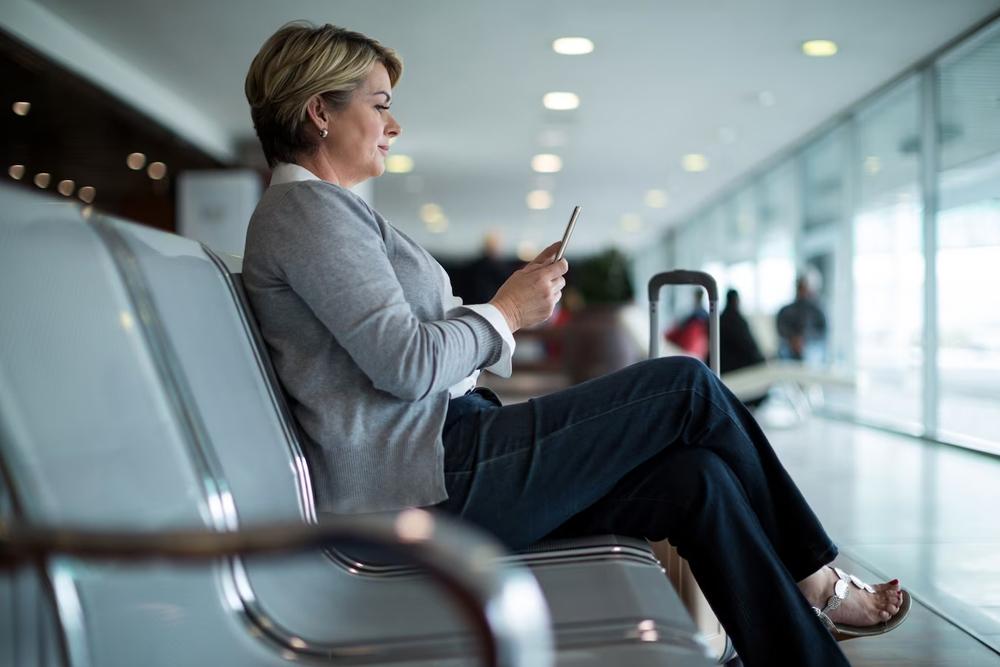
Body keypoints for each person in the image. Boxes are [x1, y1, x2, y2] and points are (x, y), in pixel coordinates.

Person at [241, 22, 908, 666]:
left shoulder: (328, 213)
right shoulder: (308, 214)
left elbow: (407, 352)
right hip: (427, 479)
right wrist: (505, 312)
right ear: (318, 112)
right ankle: (817, 581)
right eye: (380, 105)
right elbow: (408, 364)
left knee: (695, 479)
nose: (395, 124)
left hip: (444, 456)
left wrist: (511, 305)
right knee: (684, 385)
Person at [720, 289, 768, 407]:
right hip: (737, 371)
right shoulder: (737, 320)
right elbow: (749, 346)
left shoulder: (718, 319)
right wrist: (763, 361)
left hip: (722, 369)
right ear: (737, 301)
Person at [777, 273, 828, 363]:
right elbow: (781, 329)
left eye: (805, 288)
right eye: (800, 287)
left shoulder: (817, 310)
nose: (803, 291)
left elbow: (823, 332)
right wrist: (793, 339)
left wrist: (805, 339)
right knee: (784, 352)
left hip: (811, 346)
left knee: (813, 354)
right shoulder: (786, 310)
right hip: (789, 345)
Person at [665, 287, 710, 362]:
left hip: (690, 346)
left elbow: (678, 330)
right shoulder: (703, 315)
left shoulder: (694, 316)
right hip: (696, 348)